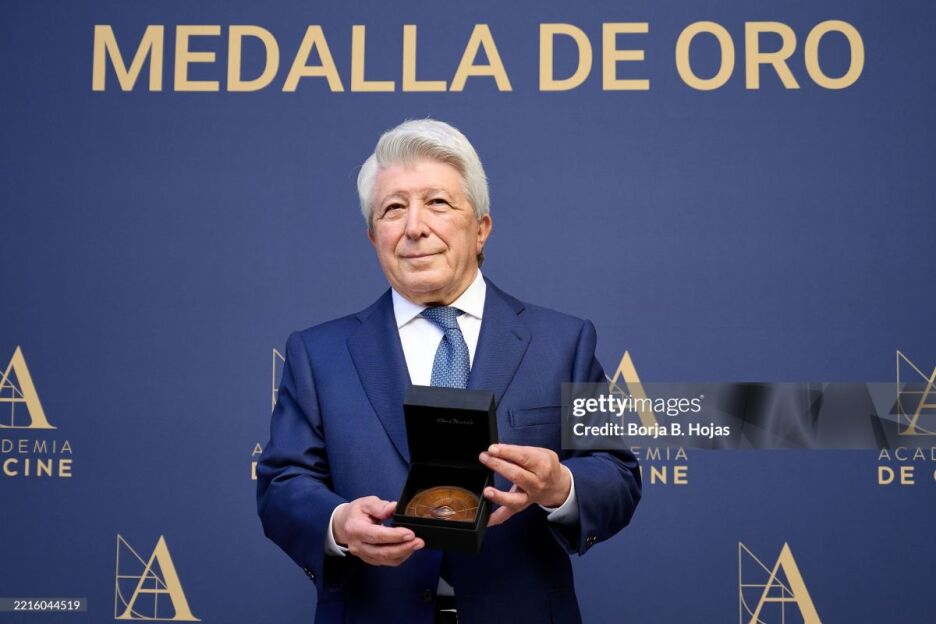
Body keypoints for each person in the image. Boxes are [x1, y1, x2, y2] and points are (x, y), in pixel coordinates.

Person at [256, 119, 641, 624]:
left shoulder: (562, 343)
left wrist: (560, 486)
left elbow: (616, 473)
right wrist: (338, 523)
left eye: (437, 202)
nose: (414, 227)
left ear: (481, 228)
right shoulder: (317, 354)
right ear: (373, 236)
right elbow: (282, 484)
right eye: (394, 209)